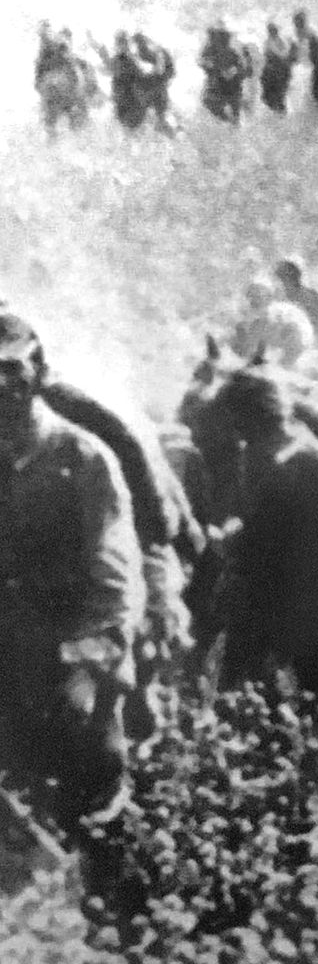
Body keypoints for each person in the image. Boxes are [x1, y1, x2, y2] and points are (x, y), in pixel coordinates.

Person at [0, 313, 144, 837]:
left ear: (38, 373)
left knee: (96, 796)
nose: (1, 387)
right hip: (9, 659)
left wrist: (90, 668)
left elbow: (113, 577)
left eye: (11, 370)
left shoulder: (82, 458)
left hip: (72, 659)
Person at [203, 363, 318, 710]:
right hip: (269, 598)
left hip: (311, 600)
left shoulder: (312, 462)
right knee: (249, 695)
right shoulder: (260, 456)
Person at [231, 278, 318, 373]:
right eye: (251, 296)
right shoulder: (276, 309)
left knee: (258, 327)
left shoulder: (271, 311)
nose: (253, 300)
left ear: (268, 296)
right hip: (299, 339)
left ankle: (283, 364)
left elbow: (249, 347)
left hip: (297, 339)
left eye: (257, 296)